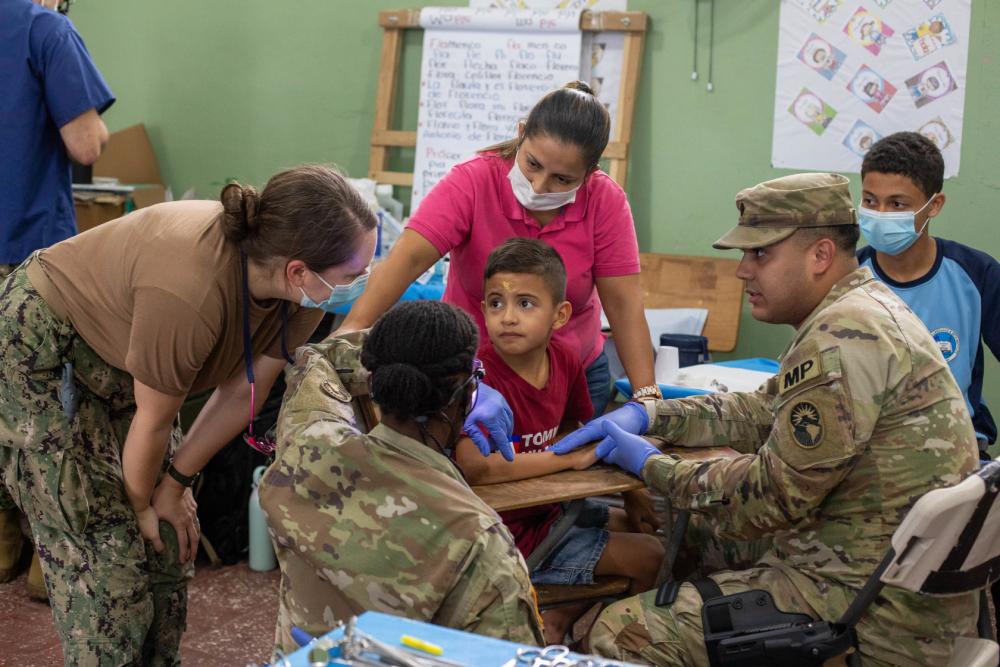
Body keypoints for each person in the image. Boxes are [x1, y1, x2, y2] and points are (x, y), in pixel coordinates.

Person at [553, 173, 980, 665]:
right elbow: (759, 410)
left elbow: (769, 498)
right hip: (888, 576)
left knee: (625, 632)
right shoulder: (861, 310)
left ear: (820, 256)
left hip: (871, 616)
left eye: (760, 255)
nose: (742, 272)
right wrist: (651, 415)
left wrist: (650, 466)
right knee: (690, 535)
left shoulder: (840, 339)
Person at [0, 164, 377, 665]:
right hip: (46, 345)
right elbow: (154, 420)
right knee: (106, 562)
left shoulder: (307, 294)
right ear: (297, 269)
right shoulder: (189, 291)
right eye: (355, 274)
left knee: (172, 543)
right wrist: (140, 507)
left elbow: (246, 390)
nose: (361, 284)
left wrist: (175, 486)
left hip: (131, 356)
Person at [339, 81, 658, 418]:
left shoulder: (605, 202)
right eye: (533, 164)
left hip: (569, 378)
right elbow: (408, 259)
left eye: (562, 179)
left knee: (570, 465)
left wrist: (647, 398)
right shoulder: (473, 182)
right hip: (473, 378)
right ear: (521, 134)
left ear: (590, 172)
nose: (540, 186)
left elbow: (624, 306)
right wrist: (349, 331)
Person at [260, 301, 544, 652]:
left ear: (374, 380)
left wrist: (397, 358)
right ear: (462, 397)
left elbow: (320, 359)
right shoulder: (477, 540)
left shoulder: (307, 444)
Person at [453, 238, 664, 644]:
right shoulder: (479, 377)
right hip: (503, 535)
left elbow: (579, 428)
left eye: (525, 304)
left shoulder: (565, 359)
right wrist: (563, 461)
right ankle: (606, 646)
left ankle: (558, 624)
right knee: (651, 557)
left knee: (643, 525)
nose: (508, 317)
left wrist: (633, 491)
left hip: (549, 513)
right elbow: (476, 466)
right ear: (482, 311)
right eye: (496, 304)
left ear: (560, 314)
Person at [0, 0, 114, 591]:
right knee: (48, 410)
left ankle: (3, 546)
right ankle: (53, 565)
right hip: (27, 257)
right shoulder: (46, 29)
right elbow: (86, 145)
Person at [857, 131, 998, 457]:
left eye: (896, 204)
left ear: (934, 205)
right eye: (869, 200)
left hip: (954, 450)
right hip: (868, 456)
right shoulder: (848, 275)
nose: (879, 214)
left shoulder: (976, 275)